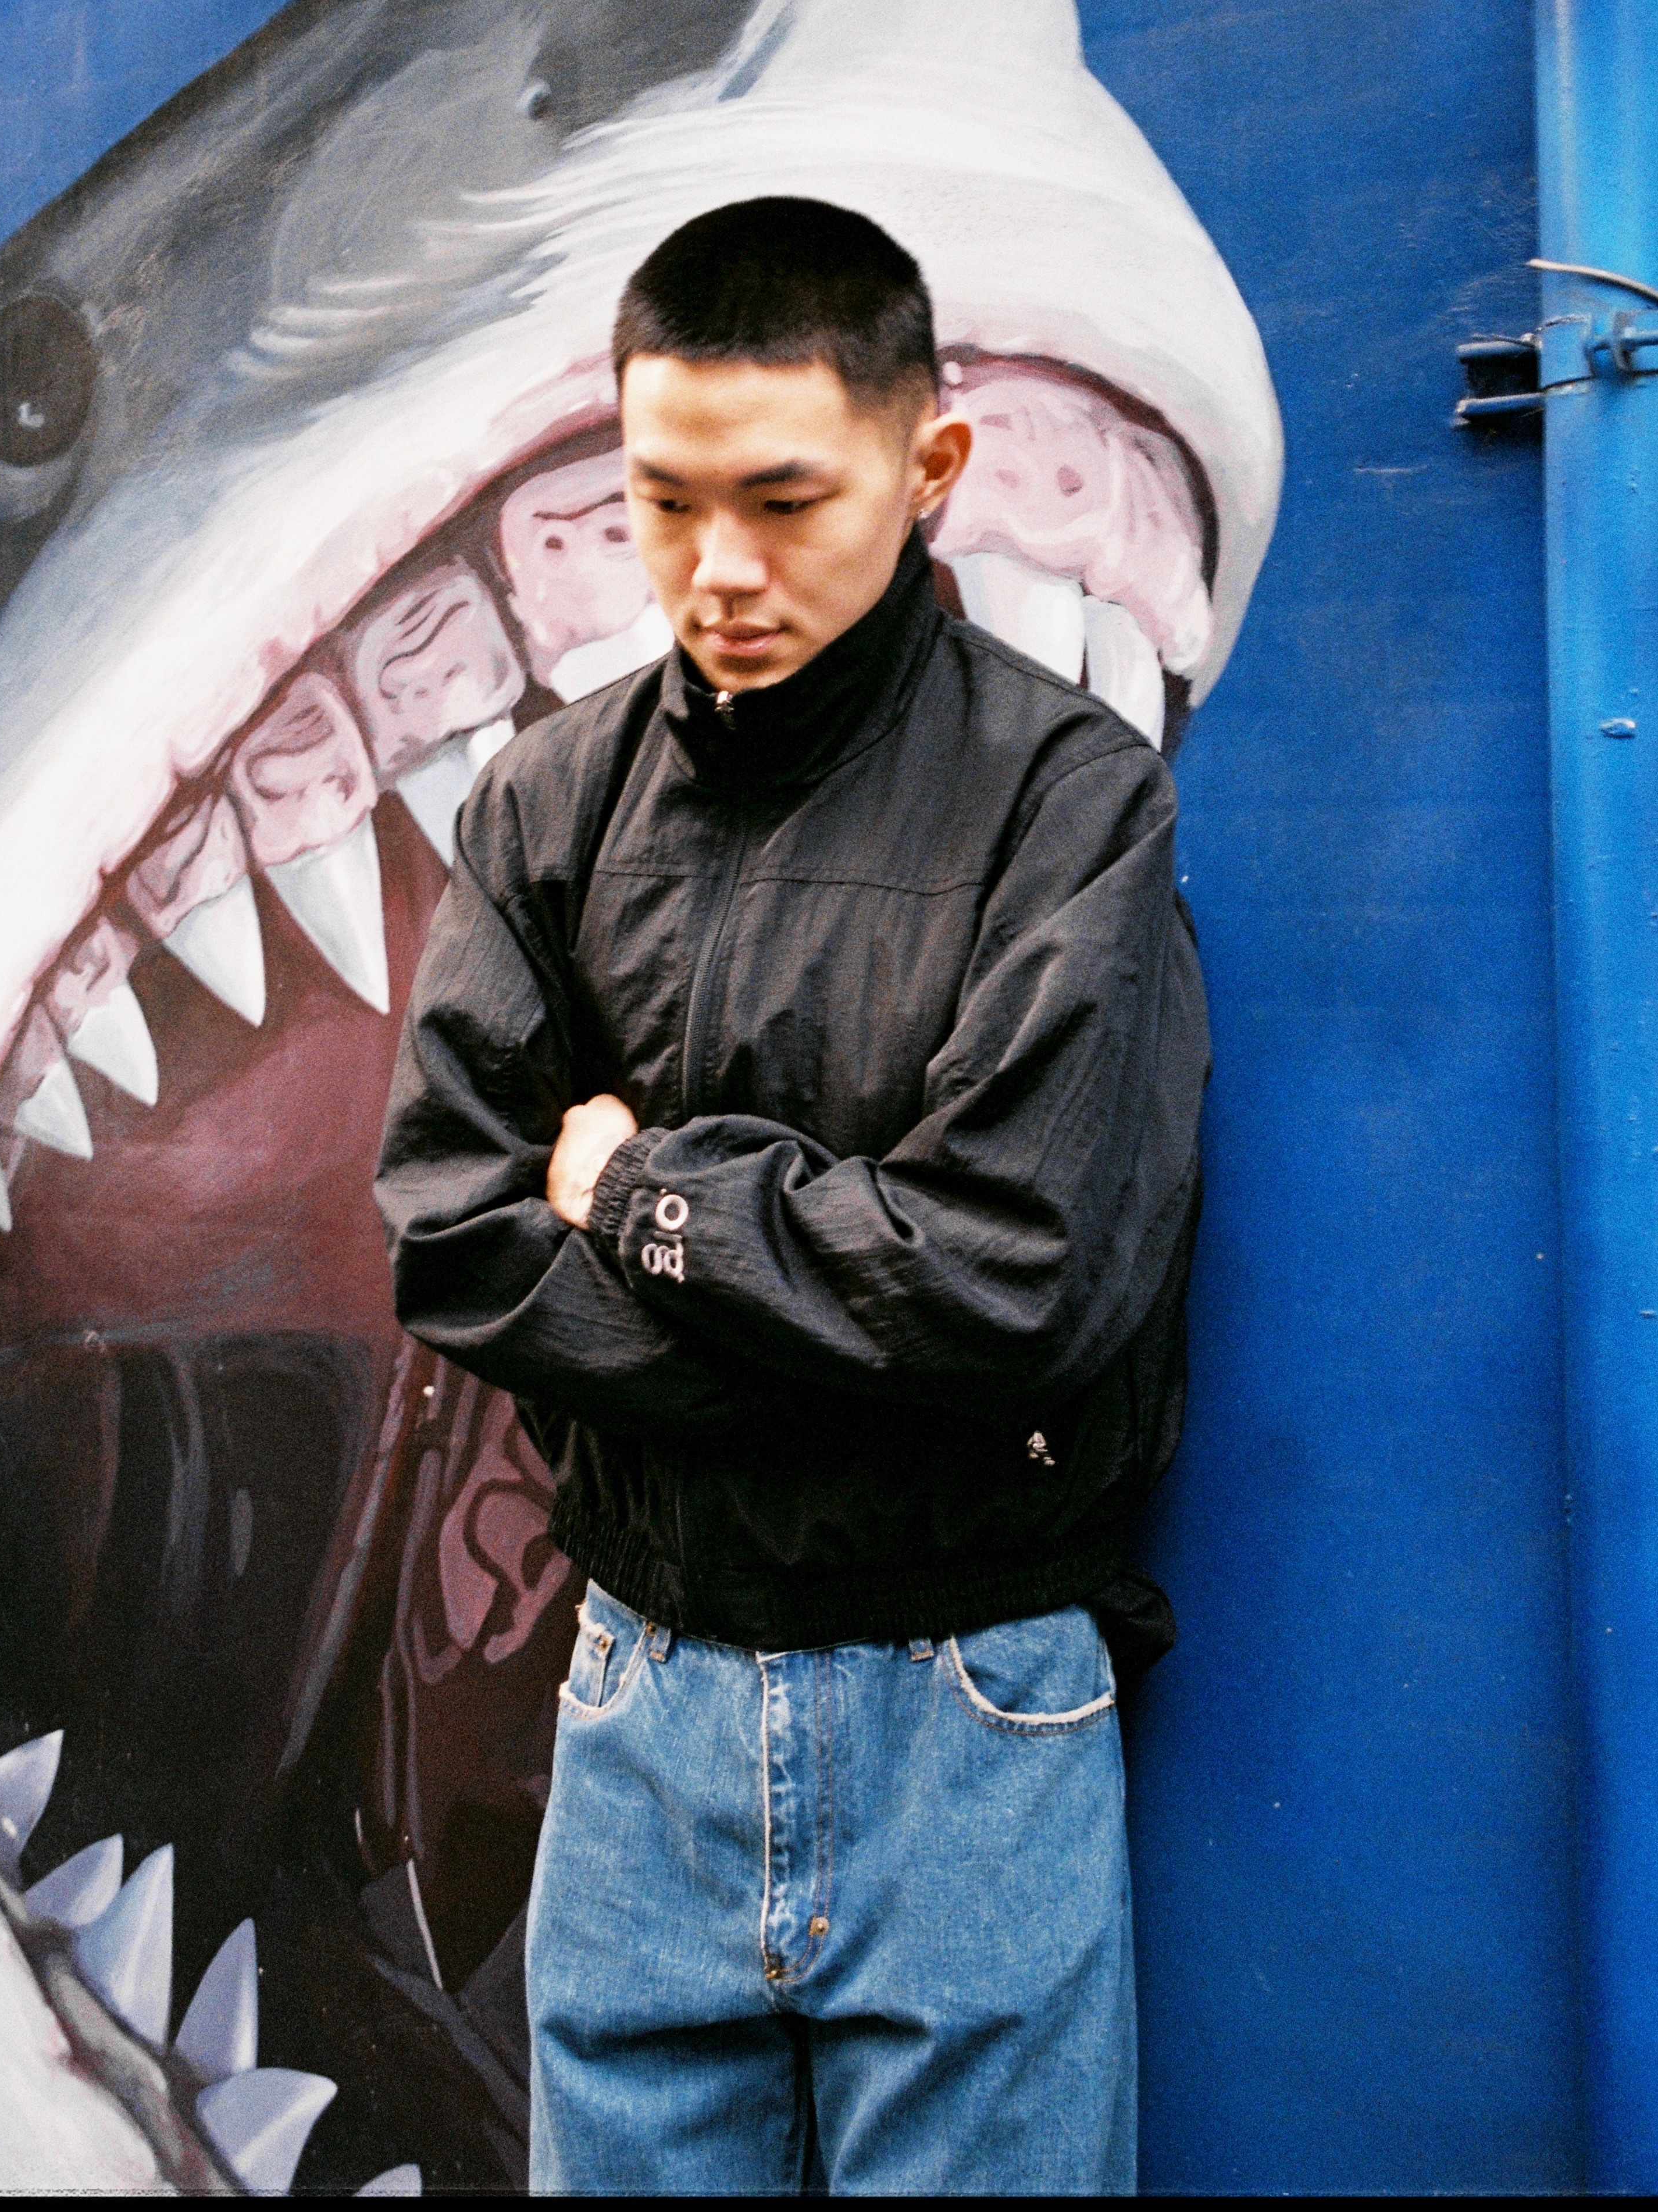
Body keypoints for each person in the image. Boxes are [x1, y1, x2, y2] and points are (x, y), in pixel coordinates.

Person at [374, 196, 1210, 2196]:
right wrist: (847, 1316)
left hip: (967, 1706)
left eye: (783, 500)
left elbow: (1014, 1287)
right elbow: (456, 1234)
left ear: (931, 467)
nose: (718, 570)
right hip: (639, 1696)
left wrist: (643, 1196)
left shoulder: (1065, 800)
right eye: (662, 503)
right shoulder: (548, 805)